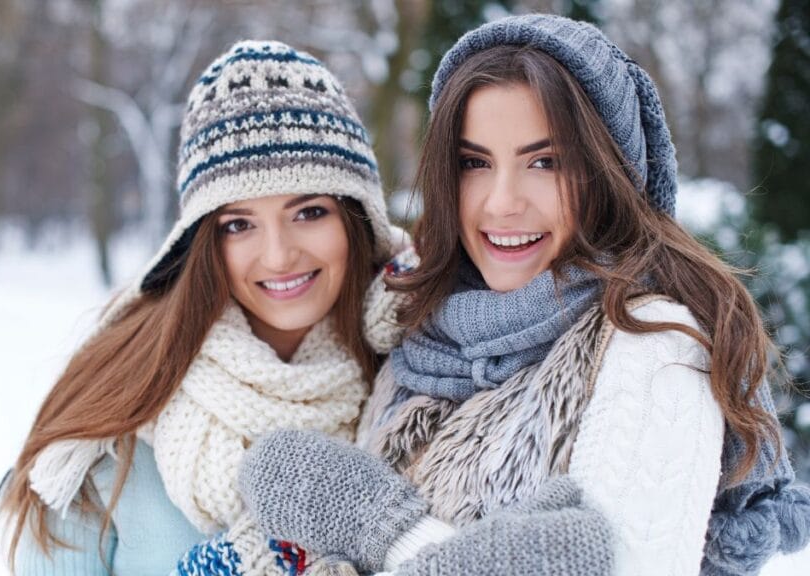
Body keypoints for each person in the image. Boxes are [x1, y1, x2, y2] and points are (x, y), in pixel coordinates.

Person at [237, 14, 810, 576]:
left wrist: (383, 529)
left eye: (545, 162)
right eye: (474, 163)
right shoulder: (419, 334)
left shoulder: (655, 348)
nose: (502, 202)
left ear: (610, 172)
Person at [0, 40, 407, 575]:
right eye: (239, 224)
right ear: (202, 243)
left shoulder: (418, 385)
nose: (279, 255)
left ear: (358, 220)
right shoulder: (117, 418)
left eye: (308, 212)